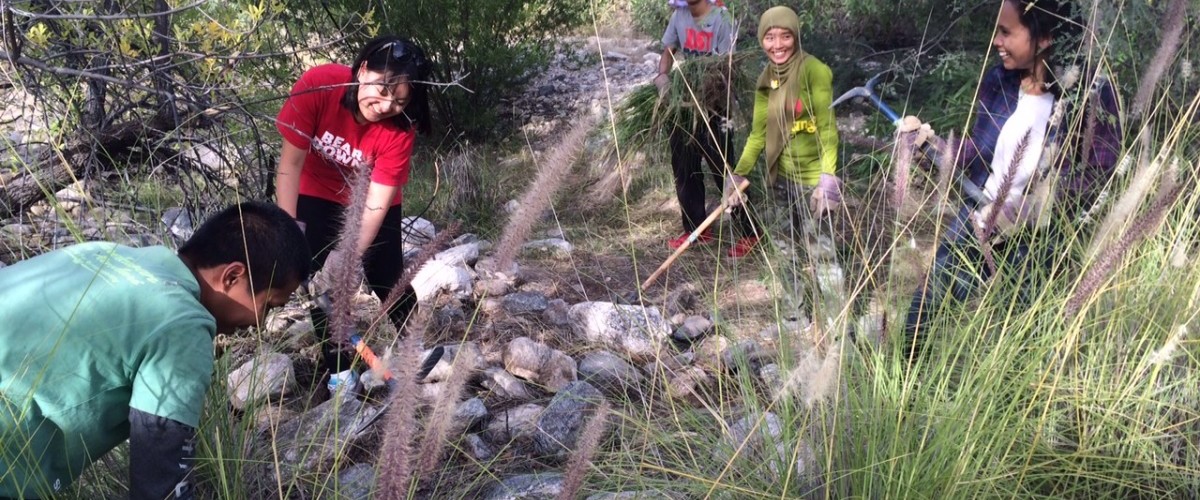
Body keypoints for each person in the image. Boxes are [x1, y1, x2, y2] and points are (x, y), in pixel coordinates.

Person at [0, 202, 309, 499]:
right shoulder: (183, 323)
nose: (260, 323)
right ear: (232, 276)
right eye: (269, 305)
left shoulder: (98, 251)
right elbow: (160, 483)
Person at [903, 0, 1122, 357]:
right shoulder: (999, 81)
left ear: (1045, 36)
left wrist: (1028, 207)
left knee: (1017, 348)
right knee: (921, 317)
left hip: (1035, 245)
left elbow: (1098, 175)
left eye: (1006, 32)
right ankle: (904, 399)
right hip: (979, 220)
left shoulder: (1090, 94)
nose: (996, 41)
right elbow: (981, 152)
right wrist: (933, 147)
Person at [274, 35, 433, 391]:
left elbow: (377, 202)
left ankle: (414, 350)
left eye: (400, 100)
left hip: (375, 200)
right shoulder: (318, 85)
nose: (387, 104)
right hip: (315, 190)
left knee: (385, 272)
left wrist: (347, 257)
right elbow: (289, 165)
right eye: (383, 88)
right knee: (320, 283)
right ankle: (340, 373)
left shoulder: (399, 128)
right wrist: (289, 231)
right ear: (363, 70)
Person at [729, 5, 842, 244]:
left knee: (822, 254)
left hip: (814, 182)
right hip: (780, 180)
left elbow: (828, 130)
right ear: (761, 39)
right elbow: (758, 135)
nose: (777, 45)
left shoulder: (815, 71)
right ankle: (794, 283)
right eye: (770, 37)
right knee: (784, 251)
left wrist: (828, 180)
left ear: (796, 37)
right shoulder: (766, 79)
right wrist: (738, 176)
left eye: (785, 36)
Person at [656, 0, 757, 256]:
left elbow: (727, 66)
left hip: (715, 104)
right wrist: (662, 76)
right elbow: (668, 51)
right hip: (684, 101)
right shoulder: (679, 15)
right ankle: (697, 229)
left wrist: (707, 90)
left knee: (724, 166)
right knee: (683, 164)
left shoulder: (722, 20)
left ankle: (749, 232)